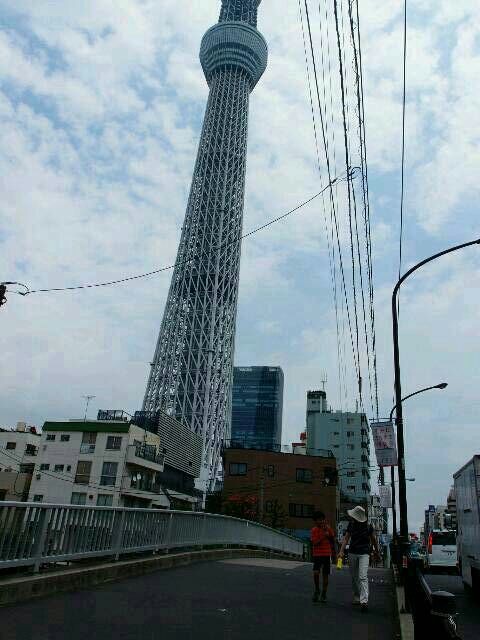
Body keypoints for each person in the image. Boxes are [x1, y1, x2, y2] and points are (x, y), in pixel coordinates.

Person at [338, 506, 380, 612]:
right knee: (354, 576)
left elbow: (374, 540)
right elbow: (346, 538)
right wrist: (341, 551)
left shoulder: (368, 527)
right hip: (352, 552)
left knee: (362, 576)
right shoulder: (351, 525)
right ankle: (357, 595)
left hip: (365, 553)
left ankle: (364, 600)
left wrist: (376, 552)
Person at [310, 510, 336, 603]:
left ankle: (324, 593)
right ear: (315, 521)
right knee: (316, 573)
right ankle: (317, 590)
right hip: (317, 554)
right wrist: (323, 536)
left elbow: (332, 540)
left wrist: (333, 554)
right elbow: (314, 542)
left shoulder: (328, 528)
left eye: (322, 519)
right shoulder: (314, 530)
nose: (320, 521)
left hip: (326, 554)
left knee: (325, 575)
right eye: (318, 520)